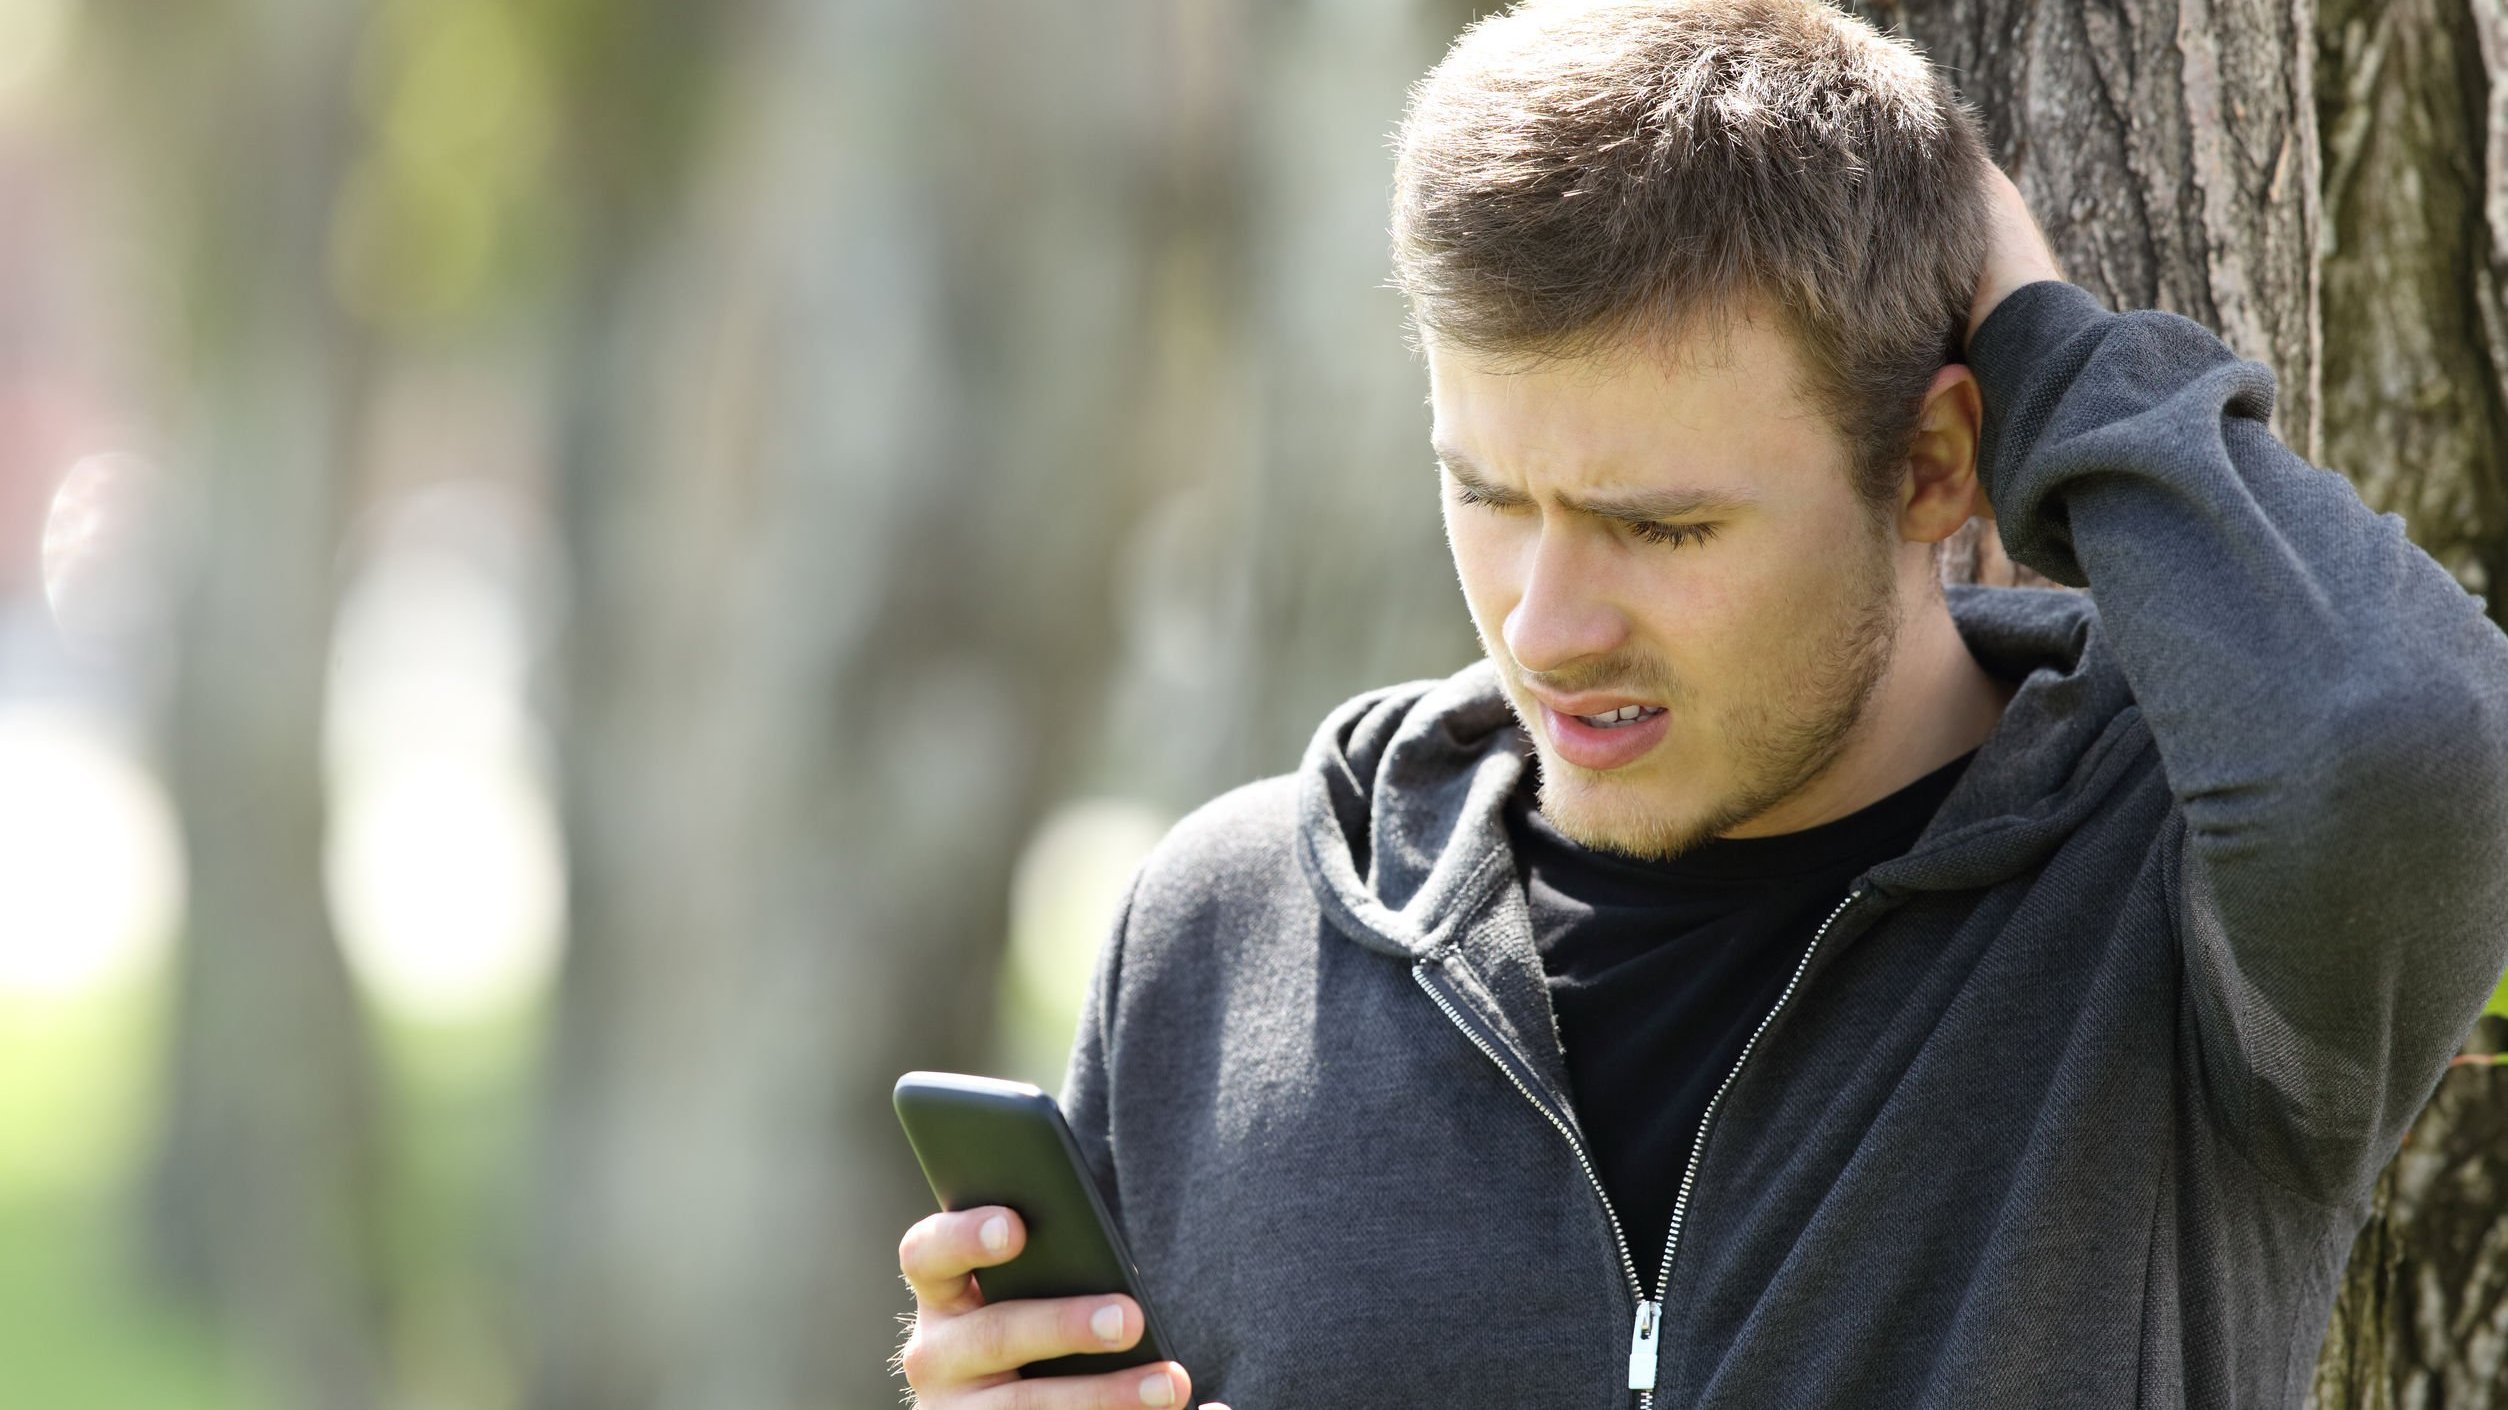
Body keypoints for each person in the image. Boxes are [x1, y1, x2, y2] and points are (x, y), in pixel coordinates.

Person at [894, 0, 2508, 1405]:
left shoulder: (2174, 913)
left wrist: (2049, 346)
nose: (1548, 623)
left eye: (1661, 526)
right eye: (1490, 495)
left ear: (1939, 463)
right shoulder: (1223, 937)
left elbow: (2405, 755)